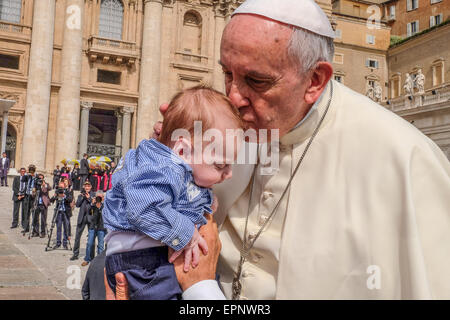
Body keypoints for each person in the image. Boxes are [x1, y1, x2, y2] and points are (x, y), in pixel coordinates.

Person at [108, 0, 450, 300]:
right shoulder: (222, 129)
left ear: (315, 80)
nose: (235, 97)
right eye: (227, 74)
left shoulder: (404, 160)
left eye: (256, 81)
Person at [102, 86, 241, 300]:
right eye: (221, 165)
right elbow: (144, 207)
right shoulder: (159, 167)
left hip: (151, 261)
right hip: (140, 264)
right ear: (183, 150)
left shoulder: (179, 165)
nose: (229, 174)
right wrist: (187, 235)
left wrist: (206, 201)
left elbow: (187, 189)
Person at [71, 181, 96, 261]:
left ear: (91, 187)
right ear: (84, 187)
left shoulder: (94, 195)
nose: (87, 187)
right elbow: (77, 205)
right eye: (86, 186)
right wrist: (82, 197)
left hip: (90, 218)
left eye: (88, 186)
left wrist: (89, 198)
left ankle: (92, 256)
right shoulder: (80, 195)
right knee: (77, 236)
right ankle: (75, 254)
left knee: (91, 237)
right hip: (82, 217)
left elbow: (95, 205)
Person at [82, 194, 107, 267]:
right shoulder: (93, 205)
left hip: (101, 228)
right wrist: (92, 204)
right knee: (89, 243)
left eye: (100, 197)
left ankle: (99, 262)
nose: (98, 199)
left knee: (100, 246)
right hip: (93, 227)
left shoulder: (105, 206)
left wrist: (102, 204)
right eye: (97, 197)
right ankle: (87, 259)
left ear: (103, 198)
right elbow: (89, 213)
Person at [50, 182, 73, 249]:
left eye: (62, 187)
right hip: (59, 211)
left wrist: (64, 196)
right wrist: (55, 196)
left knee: (66, 228)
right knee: (58, 228)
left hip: (66, 212)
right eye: (60, 187)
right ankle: (58, 243)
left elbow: (70, 199)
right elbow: (51, 200)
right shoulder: (57, 191)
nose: (61, 189)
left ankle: (65, 243)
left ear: (65, 187)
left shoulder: (68, 192)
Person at [31, 174, 51, 238]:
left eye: (41, 178)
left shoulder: (46, 184)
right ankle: (36, 232)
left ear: (43, 178)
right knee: (35, 218)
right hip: (37, 203)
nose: (40, 179)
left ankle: (43, 233)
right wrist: (34, 191)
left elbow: (49, 188)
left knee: (43, 219)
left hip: (43, 204)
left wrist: (44, 185)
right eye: (39, 178)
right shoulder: (36, 184)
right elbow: (33, 195)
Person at [21, 165, 37, 235]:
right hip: (27, 196)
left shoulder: (37, 177)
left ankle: (34, 230)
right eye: (30, 170)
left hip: (33, 197)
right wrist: (27, 173)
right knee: (26, 213)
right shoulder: (28, 176)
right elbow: (22, 179)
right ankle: (26, 228)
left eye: (32, 171)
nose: (31, 172)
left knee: (34, 213)